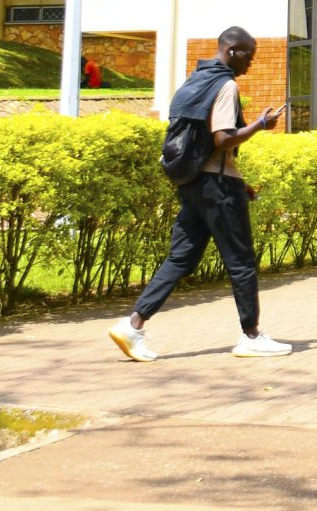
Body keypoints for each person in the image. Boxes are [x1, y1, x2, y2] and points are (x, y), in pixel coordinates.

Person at [110, 26, 290, 361]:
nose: (251, 63)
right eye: (249, 55)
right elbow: (222, 138)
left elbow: (202, 143)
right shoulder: (225, 84)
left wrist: (240, 180)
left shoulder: (193, 82)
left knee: (181, 258)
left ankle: (132, 326)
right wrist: (259, 126)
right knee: (241, 262)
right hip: (217, 187)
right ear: (232, 50)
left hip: (193, 183)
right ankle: (251, 335)